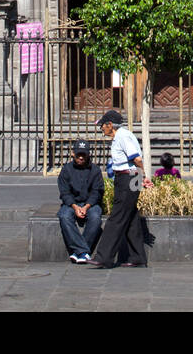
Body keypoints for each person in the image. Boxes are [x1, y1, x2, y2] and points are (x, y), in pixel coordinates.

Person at [86, 110, 152, 269]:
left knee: (117, 216)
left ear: (110, 125)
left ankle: (104, 257)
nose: (101, 128)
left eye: (103, 125)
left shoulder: (123, 136)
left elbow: (136, 158)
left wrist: (143, 176)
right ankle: (137, 257)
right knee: (130, 217)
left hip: (129, 177)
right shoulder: (120, 136)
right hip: (130, 176)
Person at [57, 138, 105, 263]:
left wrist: (85, 207)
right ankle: (83, 252)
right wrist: (75, 207)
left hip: (90, 204)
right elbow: (65, 192)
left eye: (84, 155)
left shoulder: (95, 170)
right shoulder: (66, 170)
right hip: (72, 203)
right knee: (64, 216)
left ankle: (78, 252)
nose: (81, 158)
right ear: (73, 154)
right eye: (79, 155)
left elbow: (97, 192)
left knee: (95, 217)